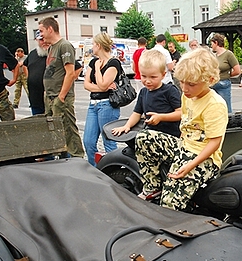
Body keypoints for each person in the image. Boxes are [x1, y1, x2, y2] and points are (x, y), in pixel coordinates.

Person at [135, 48, 228, 210]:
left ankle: (171, 231)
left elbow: (214, 143)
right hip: (183, 147)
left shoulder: (215, 104)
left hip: (203, 158)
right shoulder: (187, 96)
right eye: (182, 82)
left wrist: (190, 165)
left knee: (169, 203)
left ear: (210, 79)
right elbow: (185, 125)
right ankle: (153, 187)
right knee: (144, 137)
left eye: (191, 84)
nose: (184, 89)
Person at [38, 17, 84, 158]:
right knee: (54, 130)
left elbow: (70, 73)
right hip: (50, 96)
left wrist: (61, 97)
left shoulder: (64, 46)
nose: (40, 35)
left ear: (50, 29)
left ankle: (77, 159)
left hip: (61, 97)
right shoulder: (51, 47)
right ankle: (62, 159)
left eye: (41, 31)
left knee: (68, 129)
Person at [111, 49, 181, 139]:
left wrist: (161, 117)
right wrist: (127, 126)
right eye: (143, 76)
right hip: (150, 135)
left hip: (170, 137)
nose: (147, 81)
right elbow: (137, 113)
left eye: (153, 77)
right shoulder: (143, 92)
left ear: (163, 75)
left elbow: (180, 113)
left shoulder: (170, 90)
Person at [82, 32, 121, 165]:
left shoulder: (113, 63)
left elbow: (103, 84)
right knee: (88, 141)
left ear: (98, 45)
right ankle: (95, 169)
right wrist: (102, 87)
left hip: (107, 105)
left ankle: (112, 171)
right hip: (93, 104)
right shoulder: (93, 62)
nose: (92, 47)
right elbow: (86, 84)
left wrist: (98, 70)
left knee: (109, 142)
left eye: (93, 44)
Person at [210, 33, 240, 112]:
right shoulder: (215, 55)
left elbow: (237, 70)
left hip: (223, 83)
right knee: (215, 108)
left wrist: (227, 75)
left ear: (216, 43)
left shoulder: (228, 54)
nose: (211, 46)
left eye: (212, 43)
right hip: (213, 83)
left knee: (226, 107)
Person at [23, 30, 49, 115]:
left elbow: (76, 68)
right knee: (38, 124)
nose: (44, 42)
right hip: (35, 98)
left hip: (52, 97)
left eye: (46, 39)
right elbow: (25, 65)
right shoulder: (33, 54)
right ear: (36, 40)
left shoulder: (56, 52)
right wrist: (29, 77)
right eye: (41, 40)